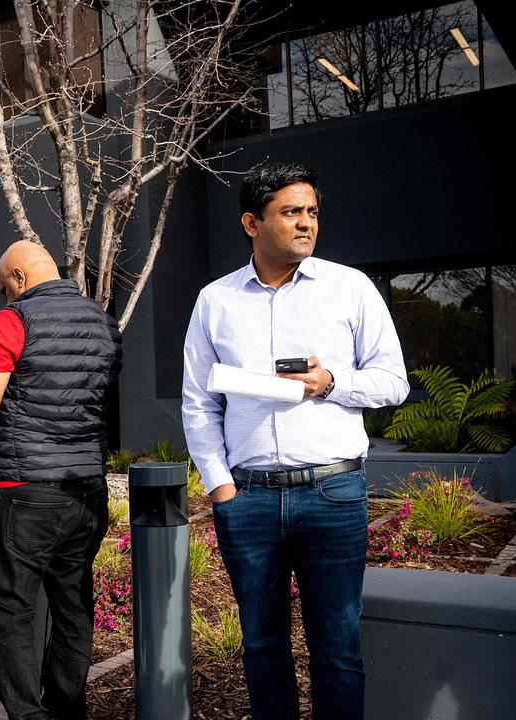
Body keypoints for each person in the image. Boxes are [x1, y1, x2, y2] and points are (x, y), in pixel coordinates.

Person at [181, 162, 409, 720]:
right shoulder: (216, 301)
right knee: (262, 648)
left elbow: (394, 383)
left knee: (337, 651)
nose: (306, 223)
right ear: (252, 223)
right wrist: (220, 487)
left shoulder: (349, 289)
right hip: (249, 500)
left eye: (311, 212)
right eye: (290, 213)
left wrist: (331, 382)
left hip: (333, 495)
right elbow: (198, 403)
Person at [0, 241, 122, 720]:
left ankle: (29, 715)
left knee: (9, 611)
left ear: (19, 278)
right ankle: (68, 709)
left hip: (24, 490)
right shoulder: (103, 322)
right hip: (86, 486)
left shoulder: (14, 320)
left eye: (4, 287)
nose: (3, 297)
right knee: (72, 604)